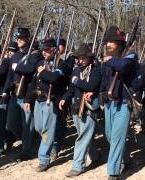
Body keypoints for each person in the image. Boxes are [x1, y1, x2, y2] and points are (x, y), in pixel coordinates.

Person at [23, 38, 74, 172]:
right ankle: (52, 145)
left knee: (47, 130)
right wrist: (28, 99)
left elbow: (53, 78)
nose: (44, 53)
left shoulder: (62, 64)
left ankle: (43, 159)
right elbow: (34, 83)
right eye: (43, 50)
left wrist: (42, 72)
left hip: (51, 101)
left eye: (46, 50)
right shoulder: (41, 62)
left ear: (54, 50)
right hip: (39, 100)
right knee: (39, 128)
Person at [99, 26, 138, 180]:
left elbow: (123, 66)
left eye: (112, 42)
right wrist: (101, 92)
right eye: (107, 41)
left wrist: (110, 60)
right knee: (110, 136)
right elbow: (104, 79)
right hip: (109, 103)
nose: (108, 44)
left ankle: (113, 172)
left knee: (116, 138)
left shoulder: (130, 56)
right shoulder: (106, 60)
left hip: (124, 103)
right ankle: (127, 159)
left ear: (120, 44)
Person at [59, 43, 101, 177]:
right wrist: (65, 98)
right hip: (76, 107)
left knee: (82, 138)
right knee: (84, 136)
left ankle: (78, 166)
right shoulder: (76, 70)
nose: (80, 60)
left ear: (89, 57)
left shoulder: (96, 69)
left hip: (89, 108)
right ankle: (95, 156)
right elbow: (71, 88)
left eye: (83, 57)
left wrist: (78, 82)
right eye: (79, 57)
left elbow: (91, 85)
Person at [2, 28, 43, 161]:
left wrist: (16, 67)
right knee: (11, 122)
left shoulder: (35, 55)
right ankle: (29, 140)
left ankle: (27, 150)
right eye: (18, 38)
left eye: (22, 38)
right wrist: (5, 91)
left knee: (27, 125)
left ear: (28, 38)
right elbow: (10, 76)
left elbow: (31, 69)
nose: (19, 40)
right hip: (14, 94)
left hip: (26, 94)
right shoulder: (14, 56)